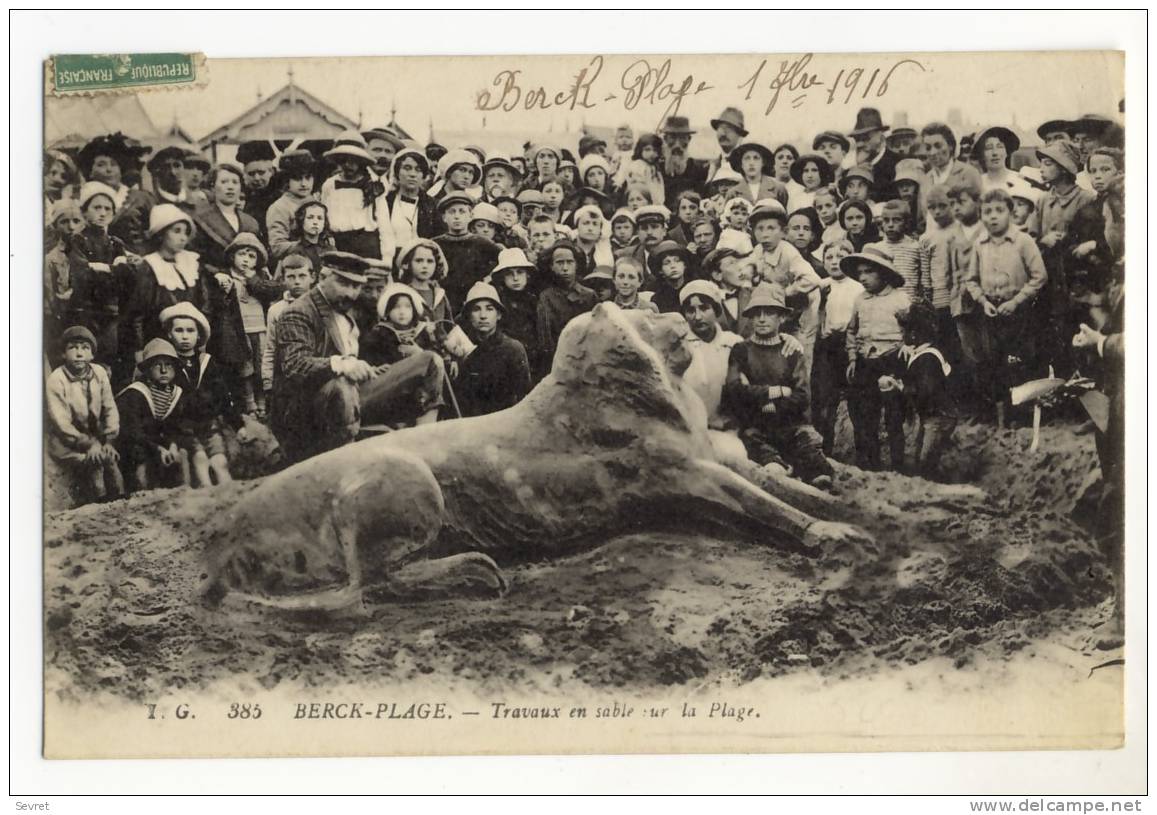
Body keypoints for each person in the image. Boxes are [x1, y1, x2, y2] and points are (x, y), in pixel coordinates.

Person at [270, 251, 445, 462]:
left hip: (351, 397)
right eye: (344, 284)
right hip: (309, 411)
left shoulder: (345, 309)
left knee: (430, 361)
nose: (352, 293)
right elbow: (294, 365)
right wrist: (343, 365)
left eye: (357, 286)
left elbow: (351, 355)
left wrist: (367, 369)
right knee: (341, 384)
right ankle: (346, 464)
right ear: (323, 277)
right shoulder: (299, 312)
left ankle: (424, 444)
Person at [723, 283, 834, 490]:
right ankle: (777, 464)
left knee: (811, 455)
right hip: (757, 426)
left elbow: (802, 396)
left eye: (769, 313)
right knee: (764, 457)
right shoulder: (740, 350)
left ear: (782, 318)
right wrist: (775, 391)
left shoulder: (792, 351)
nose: (762, 319)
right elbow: (734, 390)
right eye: (757, 314)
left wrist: (770, 405)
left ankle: (814, 475)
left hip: (790, 424)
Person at [964, 188, 1048, 426]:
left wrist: (1016, 301)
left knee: (1020, 361)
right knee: (994, 362)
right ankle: (1000, 418)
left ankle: (1020, 417)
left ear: (1010, 213)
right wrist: (983, 301)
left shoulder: (1023, 241)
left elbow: (1039, 277)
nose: (993, 217)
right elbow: (970, 279)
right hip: (992, 311)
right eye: (987, 212)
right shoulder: (980, 245)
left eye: (999, 211)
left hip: (1020, 310)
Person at [66, 182, 142, 385]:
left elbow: (128, 279)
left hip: (116, 316)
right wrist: (114, 270)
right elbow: (83, 277)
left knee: (120, 371)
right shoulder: (78, 241)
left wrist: (101, 268)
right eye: (96, 207)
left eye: (107, 208)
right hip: (90, 315)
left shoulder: (116, 244)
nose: (102, 213)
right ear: (84, 212)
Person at [1032, 141, 1096, 377]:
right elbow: (1031, 238)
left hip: (1076, 281)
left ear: (1063, 168)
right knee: (1049, 336)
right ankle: (1058, 390)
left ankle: (1079, 393)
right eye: (1041, 163)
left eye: (1048, 163)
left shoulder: (1086, 199)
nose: (1042, 168)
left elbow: (1091, 238)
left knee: (1075, 332)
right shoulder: (1042, 201)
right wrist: (1044, 241)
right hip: (1047, 280)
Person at [844, 248, 911, 471]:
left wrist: (907, 346)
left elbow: (913, 328)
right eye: (860, 272)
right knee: (866, 414)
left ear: (883, 273)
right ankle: (870, 465)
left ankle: (898, 465)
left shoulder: (900, 299)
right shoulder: (859, 300)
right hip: (865, 362)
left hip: (891, 361)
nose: (863, 277)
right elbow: (851, 331)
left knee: (893, 415)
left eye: (869, 271)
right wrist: (853, 358)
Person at [161, 302, 237, 487]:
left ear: (198, 335)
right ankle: (206, 496)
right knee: (200, 459)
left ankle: (229, 496)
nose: (185, 336)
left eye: (190, 331)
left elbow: (222, 396)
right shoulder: (166, 365)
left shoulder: (206, 362)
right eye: (179, 330)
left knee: (220, 461)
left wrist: (237, 423)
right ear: (170, 334)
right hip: (183, 428)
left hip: (209, 425)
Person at [46, 325, 124, 505]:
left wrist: (109, 440)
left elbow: (109, 407)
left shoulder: (99, 373)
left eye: (85, 348)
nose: (79, 354)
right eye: (73, 348)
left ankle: (121, 503)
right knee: (94, 462)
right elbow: (61, 423)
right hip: (68, 443)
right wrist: (88, 445)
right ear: (63, 354)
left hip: (97, 438)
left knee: (111, 460)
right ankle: (99, 502)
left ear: (92, 355)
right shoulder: (57, 380)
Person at [210, 232, 284, 417]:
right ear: (232, 256)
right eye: (242, 254)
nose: (246, 260)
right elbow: (218, 305)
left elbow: (273, 291)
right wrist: (224, 289)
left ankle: (262, 402)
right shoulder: (225, 276)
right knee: (245, 368)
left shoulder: (260, 276)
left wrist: (252, 278)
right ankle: (249, 403)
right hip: (238, 331)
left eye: (252, 256)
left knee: (261, 367)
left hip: (260, 328)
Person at [130, 203, 213, 359]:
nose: (183, 237)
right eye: (176, 231)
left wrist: (200, 336)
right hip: (159, 340)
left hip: (191, 340)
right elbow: (138, 313)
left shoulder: (192, 262)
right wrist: (139, 348)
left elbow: (205, 302)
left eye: (186, 232)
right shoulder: (150, 265)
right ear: (161, 234)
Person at [749, 199, 822, 374]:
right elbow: (750, 267)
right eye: (760, 229)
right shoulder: (759, 250)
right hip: (780, 312)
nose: (765, 235)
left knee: (801, 356)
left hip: (803, 312)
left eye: (771, 228)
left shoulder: (788, 251)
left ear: (783, 232)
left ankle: (803, 395)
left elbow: (813, 279)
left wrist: (786, 292)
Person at [887, 301, 956, 479]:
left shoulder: (928, 359)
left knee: (927, 460)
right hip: (931, 415)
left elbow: (926, 390)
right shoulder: (922, 353)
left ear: (914, 334)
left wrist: (901, 387)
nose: (901, 336)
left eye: (903, 332)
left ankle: (936, 486)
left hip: (939, 417)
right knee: (920, 455)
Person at [116, 338, 191, 491]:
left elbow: (176, 426)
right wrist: (158, 449)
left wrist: (172, 445)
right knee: (139, 459)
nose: (164, 371)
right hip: (137, 445)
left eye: (168, 365)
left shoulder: (176, 394)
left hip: (160, 445)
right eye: (157, 365)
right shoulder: (135, 393)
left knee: (181, 453)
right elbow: (133, 431)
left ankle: (185, 494)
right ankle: (142, 495)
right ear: (148, 369)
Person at [811, 238, 862, 455]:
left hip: (851, 345)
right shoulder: (821, 286)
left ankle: (861, 451)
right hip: (827, 346)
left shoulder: (858, 287)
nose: (834, 262)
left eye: (840, 257)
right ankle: (825, 448)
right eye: (829, 257)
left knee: (855, 397)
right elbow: (815, 316)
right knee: (825, 397)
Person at [455, 281, 532, 417]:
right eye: (476, 309)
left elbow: (524, 397)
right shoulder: (461, 349)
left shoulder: (512, 349)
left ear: (499, 315)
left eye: (489, 309)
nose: (483, 315)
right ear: (468, 316)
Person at [680, 279, 744, 430]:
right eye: (691, 311)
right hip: (692, 431)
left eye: (704, 308)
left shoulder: (734, 343)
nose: (697, 316)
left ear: (716, 310)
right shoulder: (679, 347)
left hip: (731, 430)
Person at [319, 132, 393, 261]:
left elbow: (384, 225)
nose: (348, 165)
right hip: (338, 244)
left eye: (354, 161)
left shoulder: (371, 186)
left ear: (361, 162)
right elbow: (324, 215)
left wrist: (387, 258)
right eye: (344, 160)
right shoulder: (329, 185)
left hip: (366, 246)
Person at [76, 133, 154, 254]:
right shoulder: (81, 199)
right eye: (101, 164)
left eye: (114, 164)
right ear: (90, 171)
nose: (109, 169)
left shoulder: (141, 198)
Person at [535, 240, 598, 373]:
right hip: (558, 363)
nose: (565, 267)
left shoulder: (589, 296)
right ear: (551, 266)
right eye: (559, 262)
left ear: (576, 265)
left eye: (569, 262)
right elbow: (546, 341)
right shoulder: (546, 297)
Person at [190, 163, 262, 276]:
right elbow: (195, 258)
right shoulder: (201, 219)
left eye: (235, 182)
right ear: (213, 187)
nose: (230, 187)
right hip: (212, 282)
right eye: (224, 182)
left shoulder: (251, 223)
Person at [434, 191, 502, 310]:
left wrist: (489, 278)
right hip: (445, 299)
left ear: (470, 215)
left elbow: (503, 262)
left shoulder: (483, 243)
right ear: (444, 217)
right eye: (452, 212)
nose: (457, 216)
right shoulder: (435, 244)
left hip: (475, 300)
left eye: (462, 211)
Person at [262, 254, 314, 396]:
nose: (297, 282)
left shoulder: (318, 307)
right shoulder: (276, 310)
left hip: (314, 374)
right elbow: (270, 347)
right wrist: (267, 381)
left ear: (312, 277)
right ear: (283, 280)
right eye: (291, 277)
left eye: (302, 276)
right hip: (285, 376)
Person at [490, 247, 543, 376]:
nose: (515, 278)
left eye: (520, 272)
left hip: (534, 359)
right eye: (509, 273)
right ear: (502, 277)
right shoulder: (497, 301)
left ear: (527, 275)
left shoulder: (535, 300)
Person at [44, 198, 87, 347]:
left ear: (84, 223)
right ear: (55, 225)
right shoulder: (52, 259)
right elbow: (51, 301)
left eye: (76, 221)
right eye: (64, 222)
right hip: (67, 320)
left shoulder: (92, 251)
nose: (71, 227)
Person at [866, 199, 925, 302]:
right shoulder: (877, 249)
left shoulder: (916, 247)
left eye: (896, 220)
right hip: (885, 303)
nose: (890, 225)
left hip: (910, 303)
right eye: (886, 220)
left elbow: (923, 278)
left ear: (907, 223)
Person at [264, 149, 318, 260]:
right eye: (297, 178)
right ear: (286, 180)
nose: (304, 184)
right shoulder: (280, 207)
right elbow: (277, 247)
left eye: (308, 178)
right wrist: (306, 246)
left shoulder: (316, 203)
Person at [386, 147, 439, 245]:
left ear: (423, 176)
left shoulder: (433, 205)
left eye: (418, 170)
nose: (412, 174)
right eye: (407, 168)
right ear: (397, 173)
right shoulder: (385, 201)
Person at [396, 237, 453, 325]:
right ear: (407, 264)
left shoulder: (440, 295)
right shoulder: (404, 294)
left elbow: (449, 325)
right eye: (419, 261)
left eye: (430, 261)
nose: (425, 266)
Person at [847, 107, 900, 201]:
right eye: (857, 139)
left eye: (865, 138)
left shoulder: (897, 164)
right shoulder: (851, 168)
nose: (860, 144)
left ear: (880, 136)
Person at [658, 116, 709, 209]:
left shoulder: (699, 170)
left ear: (689, 139)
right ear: (665, 139)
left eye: (682, 138)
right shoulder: (656, 169)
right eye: (672, 138)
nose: (677, 144)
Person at [276, 199, 336, 273]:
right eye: (310, 217)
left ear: (324, 223)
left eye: (320, 218)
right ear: (301, 220)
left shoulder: (330, 250)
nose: (315, 222)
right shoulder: (293, 250)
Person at [920, 122, 982, 192]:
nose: (933, 152)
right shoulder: (925, 180)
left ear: (950, 146)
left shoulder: (969, 173)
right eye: (928, 148)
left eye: (938, 146)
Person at [236, 140, 280, 236]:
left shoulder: (281, 193)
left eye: (261, 173)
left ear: (271, 171)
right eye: (251, 174)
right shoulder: (241, 194)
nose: (256, 178)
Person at [728, 141, 787, 205]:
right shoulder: (733, 193)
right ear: (741, 164)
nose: (751, 163)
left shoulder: (778, 189)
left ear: (763, 163)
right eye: (747, 158)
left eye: (756, 158)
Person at [645, 240, 694, 313]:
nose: (673, 266)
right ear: (660, 270)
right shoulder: (658, 297)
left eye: (677, 261)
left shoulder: (694, 289)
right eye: (667, 263)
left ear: (684, 265)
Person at [973, 125, 1022, 193]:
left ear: (1006, 151)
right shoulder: (976, 184)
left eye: (1000, 147)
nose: (995, 153)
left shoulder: (1020, 180)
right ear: (982, 154)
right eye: (989, 148)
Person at [708, 106, 748, 177]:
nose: (723, 133)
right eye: (721, 128)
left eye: (729, 128)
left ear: (739, 134)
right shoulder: (711, 167)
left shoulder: (749, 166)